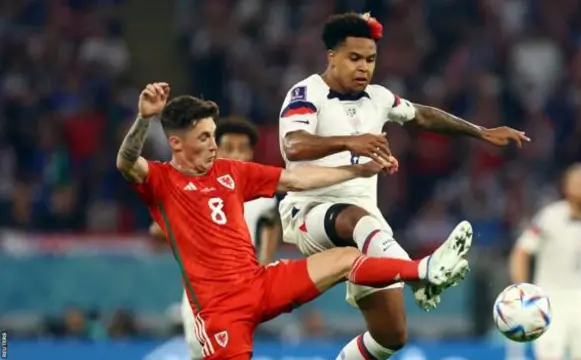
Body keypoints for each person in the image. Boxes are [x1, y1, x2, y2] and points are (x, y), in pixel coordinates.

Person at [117, 82, 467, 360]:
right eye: (205, 137)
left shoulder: (230, 172)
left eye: (213, 135)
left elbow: (297, 180)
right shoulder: (161, 181)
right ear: (176, 144)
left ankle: (423, 270)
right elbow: (127, 161)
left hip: (260, 283)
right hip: (220, 313)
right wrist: (144, 119)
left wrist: (359, 169)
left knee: (346, 259)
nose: (214, 145)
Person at [277, 12, 530, 359]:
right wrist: (350, 143)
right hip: (310, 213)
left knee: (390, 336)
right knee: (355, 218)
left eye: (370, 59)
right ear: (331, 56)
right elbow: (293, 144)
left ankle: (414, 275)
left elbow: (422, 114)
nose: (364, 67)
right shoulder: (306, 92)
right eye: (354, 58)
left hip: (366, 226)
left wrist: (481, 132)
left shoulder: (378, 98)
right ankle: (420, 272)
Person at [148, 117, 280, 360]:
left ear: (252, 154)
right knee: (200, 353)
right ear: (215, 150)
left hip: (239, 293)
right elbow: (156, 230)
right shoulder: (195, 188)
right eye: (229, 148)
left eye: (243, 149)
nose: (236, 155)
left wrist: (263, 269)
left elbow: (270, 230)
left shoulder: (262, 196)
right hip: (200, 291)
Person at [510, 163, 581, 360]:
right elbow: (521, 252)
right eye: (579, 181)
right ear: (566, 186)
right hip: (549, 298)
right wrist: (522, 293)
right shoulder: (549, 217)